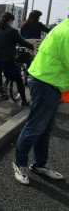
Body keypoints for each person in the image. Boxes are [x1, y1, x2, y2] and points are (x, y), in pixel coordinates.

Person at [12, 17, 69, 185]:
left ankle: (39, 163)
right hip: (47, 82)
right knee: (35, 126)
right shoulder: (67, 32)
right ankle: (19, 163)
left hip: (49, 81)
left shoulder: (63, 28)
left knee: (44, 128)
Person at [0, 12, 34, 108]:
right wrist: (31, 46)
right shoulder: (12, 31)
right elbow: (21, 41)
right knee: (19, 80)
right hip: (7, 60)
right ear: (10, 20)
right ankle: (24, 102)